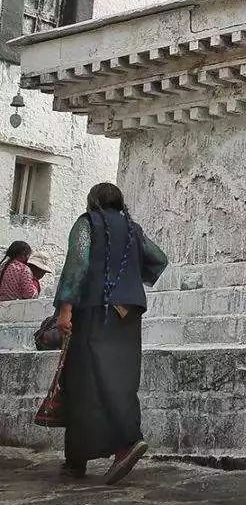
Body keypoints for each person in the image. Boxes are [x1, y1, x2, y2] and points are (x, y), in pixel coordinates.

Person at [53, 182, 168, 484]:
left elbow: (77, 265)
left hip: (94, 312)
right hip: (128, 314)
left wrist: (65, 310)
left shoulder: (87, 224)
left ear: (93, 201)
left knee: (82, 383)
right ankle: (126, 441)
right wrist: (128, 276)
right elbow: (158, 259)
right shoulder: (133, 229)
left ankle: (77, 460)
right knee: (121, 380)